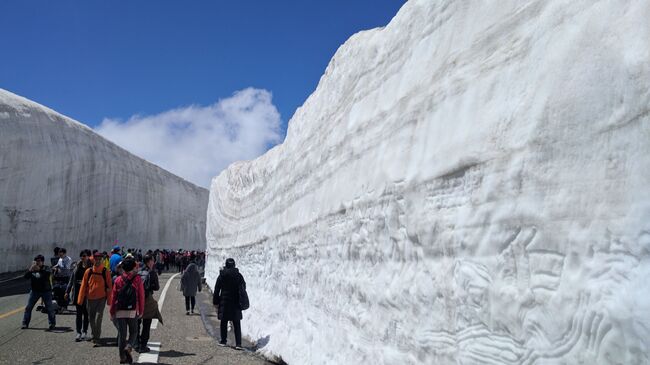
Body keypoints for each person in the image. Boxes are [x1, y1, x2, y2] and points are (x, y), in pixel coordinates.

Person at [110, 258, 145, 364]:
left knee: (122, 334)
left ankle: (122, 357)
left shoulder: (118, 280)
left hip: (120, 310)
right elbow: (141, 296)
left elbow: (113, 297)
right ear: (133, 268)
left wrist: (112, 312)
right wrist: (141, 310)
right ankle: (129, 347)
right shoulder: (137, 279)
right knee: (134, 331)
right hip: (132, 310)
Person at [78, 251, 113, 345]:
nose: (97, 261)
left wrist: (109, 300)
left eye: (99, 259)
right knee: (91, 318)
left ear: (101, 260)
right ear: (93, 260)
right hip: (90, 298)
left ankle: (97, 338)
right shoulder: (88, 271)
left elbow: (109, 286)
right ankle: (94, 334)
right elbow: (83, 286)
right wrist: (80, 299)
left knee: (98, 318)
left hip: (101, 298)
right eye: (96, 259)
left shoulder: (105, 271)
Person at [213, 258, 246, 350]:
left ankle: (223, 341)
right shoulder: (239, 276)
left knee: (224, 321)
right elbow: (244, 287)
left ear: (226, 265)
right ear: (234, 265)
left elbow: (217, 289)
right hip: (236, 302)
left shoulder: (222, 275)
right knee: (236, 323)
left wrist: (216, 301)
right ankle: (238, 343)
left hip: (224, 301)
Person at [21, 255, 56, 330]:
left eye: (39, 261)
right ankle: (25, 323)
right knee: (28, 307)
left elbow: (46, 275)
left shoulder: (46, 268)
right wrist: (30, 270)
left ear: (42, 262)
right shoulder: (33, 269)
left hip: (46, 291)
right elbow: (25, 277)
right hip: (34, 291)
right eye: (36, 261)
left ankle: (52, 323)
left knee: (49, 308)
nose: (37, 262)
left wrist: (39, 269)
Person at [137, 254, 163, 353]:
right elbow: (157, 288)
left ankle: (136, 343)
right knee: (147, 323)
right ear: (150, 261)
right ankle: (143, 345)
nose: (154, 262)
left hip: (137, 300)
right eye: (153, 260)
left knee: (137, 323)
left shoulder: (138, 271)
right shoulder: (151, 273)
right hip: (147, 299)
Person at [65, 250, 91, 341]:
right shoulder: (77, 267)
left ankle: (85, 331)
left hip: (87, 294)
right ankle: (78, 332)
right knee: (79, 314)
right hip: (77, 293)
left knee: (86, 313)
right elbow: (71, 280)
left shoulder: (91, 268)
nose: (83, 258)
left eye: (84, 256)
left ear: (88, 257)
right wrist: (67, 292)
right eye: (82, 256)